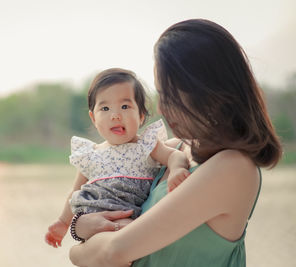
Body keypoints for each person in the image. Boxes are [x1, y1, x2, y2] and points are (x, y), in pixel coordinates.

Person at [69, 19, 282, 266]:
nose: (160, 108)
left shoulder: (234, 168)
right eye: (160, 94)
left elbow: (113, 253)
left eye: (170, 96)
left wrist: (76, 252)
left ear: (206, 91)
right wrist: (79, 225)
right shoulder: (176, 148)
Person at [45, 68, 190, 248]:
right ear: (93, 118)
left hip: (128, 216)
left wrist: (177, 169)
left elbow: (174, 155)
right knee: (93, 235)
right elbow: (74, 194)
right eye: (105, 108)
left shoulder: (146, 145)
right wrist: (62, 222)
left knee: (129, 233)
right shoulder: (90, 154)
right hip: (90, 218)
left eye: (125, 106)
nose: (115, 115)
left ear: (141, 115)